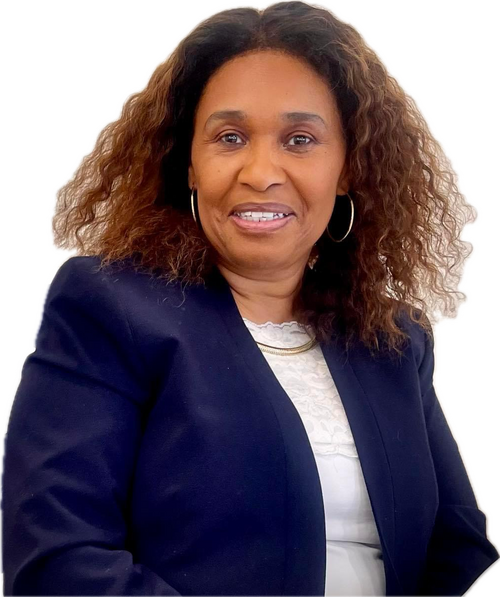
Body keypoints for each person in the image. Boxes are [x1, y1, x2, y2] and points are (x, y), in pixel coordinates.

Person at [1, 1, 499, 596]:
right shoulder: (108, 310)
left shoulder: (392, 338)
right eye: (230, 137)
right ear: (188, 163)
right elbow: (58, 560)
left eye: (300, 139)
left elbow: (458, 548)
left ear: (348, 168)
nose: (261, 172)